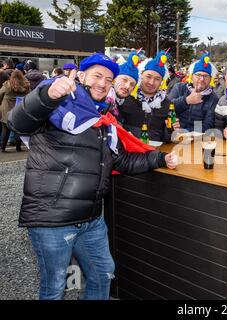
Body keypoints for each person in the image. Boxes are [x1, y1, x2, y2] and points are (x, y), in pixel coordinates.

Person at [7, 52, 178, 300]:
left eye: (108, 79)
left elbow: (120, 160)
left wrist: (160, 159)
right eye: (97, 75)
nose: (103, 82)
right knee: (54, 287)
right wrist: (47, 96)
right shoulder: (59, 102)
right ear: (82, 75)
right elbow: (17, 122)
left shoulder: (102, 119)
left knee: (102, 274)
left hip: (91, 219)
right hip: (53, 218)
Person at [119, 51, 175, 142]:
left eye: (157, 79)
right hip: (128, 150)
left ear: (162, 82)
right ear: (141, 76)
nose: (151, 82)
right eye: (148, 77)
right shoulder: (126, 97)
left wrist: (170, 129)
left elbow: (167, 139)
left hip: (154, 152)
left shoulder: (167, 104)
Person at [168, 53, 219, 132]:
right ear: (192, 77)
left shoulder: (213, 97)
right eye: (198, 75)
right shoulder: (179, 87)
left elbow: (208, 124)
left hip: (196, 139)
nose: (202, 79)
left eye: (206, 76)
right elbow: (167, 108)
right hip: (172, 135)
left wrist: (186, 132)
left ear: (210, 79)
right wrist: (186, 100)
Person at [0, 70, 30, 152]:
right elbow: (29, 97)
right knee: (18, 130)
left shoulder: (7, 85)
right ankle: (18, 148)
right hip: (19, 110)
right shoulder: (26, 85)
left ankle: (3, 148)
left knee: (5, 130)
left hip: (6, 110)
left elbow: (0, 94)